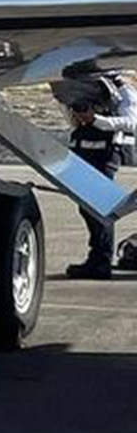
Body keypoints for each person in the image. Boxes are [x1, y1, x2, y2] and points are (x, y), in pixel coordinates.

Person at [61, 73, 132, 280]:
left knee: (98, 207)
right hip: (87, 150)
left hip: (107, 153)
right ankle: (98, 258)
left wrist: (97, 120)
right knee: (87, 207)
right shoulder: (86, 87)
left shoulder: (124, 91)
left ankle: (101, 261)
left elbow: (131, 123)